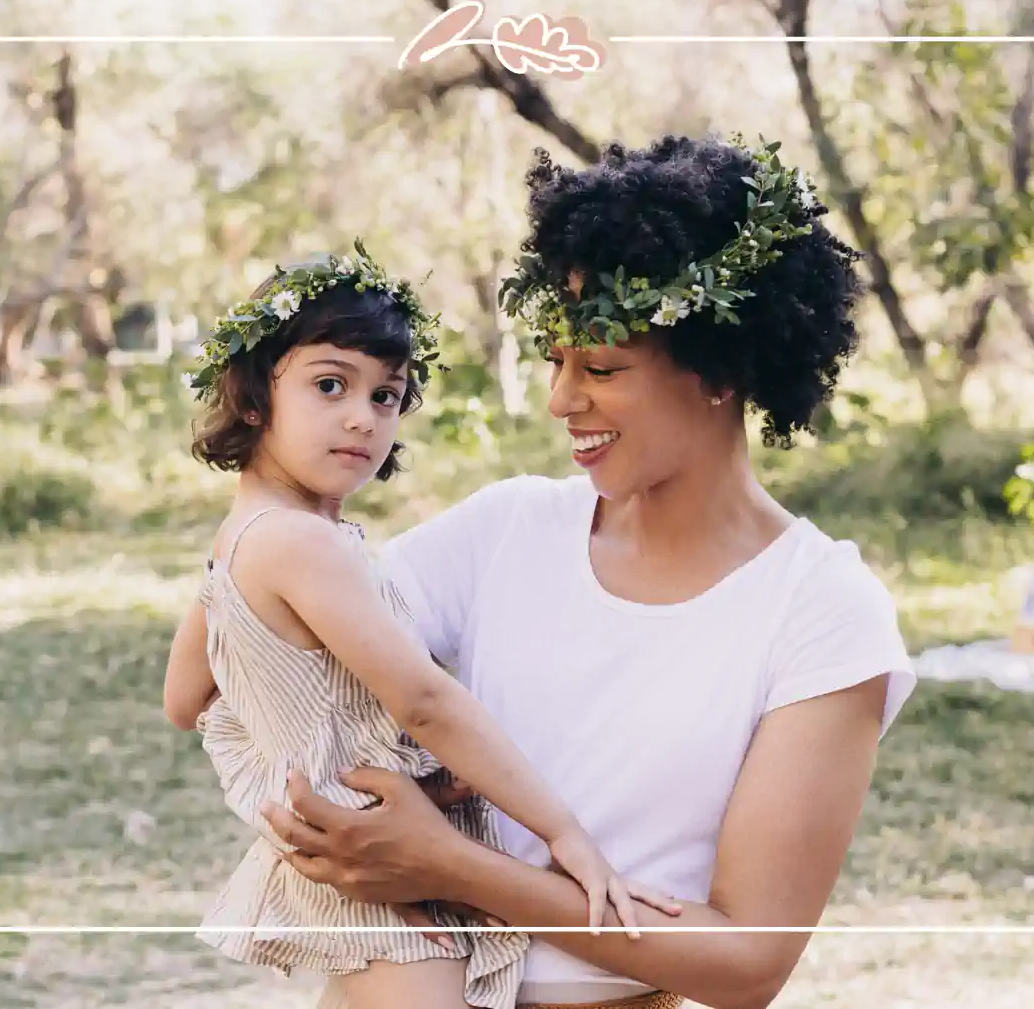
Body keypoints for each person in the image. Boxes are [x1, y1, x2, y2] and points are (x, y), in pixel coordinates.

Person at [171, 133, 918, 1009]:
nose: (562, 399)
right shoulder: (508, 528)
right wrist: (266, 502)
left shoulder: (822, 613)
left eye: (600, 366)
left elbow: (750, 962)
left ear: (721, 371)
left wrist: (454, 865)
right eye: (556, 361)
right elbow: (248, 643)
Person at [162, 243, 673, 1009]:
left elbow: (184, 698)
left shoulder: (243, 535)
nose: (361, 417)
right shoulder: (300, 544)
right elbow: (423, 702)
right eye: (330, 385)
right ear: (254, 397)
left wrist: (311, 740)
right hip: (381, 888)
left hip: (372, 860)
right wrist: (565, 834)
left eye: (386, 396)